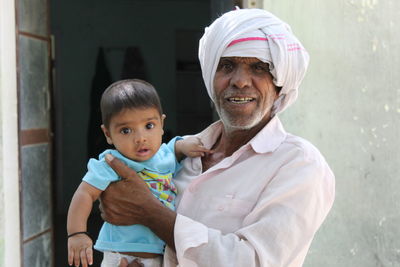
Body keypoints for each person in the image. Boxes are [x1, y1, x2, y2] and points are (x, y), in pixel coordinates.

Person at [100, 8, 335, 267]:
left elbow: (252, 261)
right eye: (227, 65)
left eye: (258, 67)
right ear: (211, 76)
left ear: (279, 85)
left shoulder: (299, 164)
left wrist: (150, 213)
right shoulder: (177, 153)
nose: (241, 81)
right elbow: (126, 221)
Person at [67, 79, 211, 267]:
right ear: (108, 134)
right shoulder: (111, 163)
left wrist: (185, 145)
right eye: (126, 130)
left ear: (161, 124)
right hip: (121, 256)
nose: (140, 138)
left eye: (149, 126)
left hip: (161, 257)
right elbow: (85, 193)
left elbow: (174, 147)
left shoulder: (164, 155)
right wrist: (77, 233)